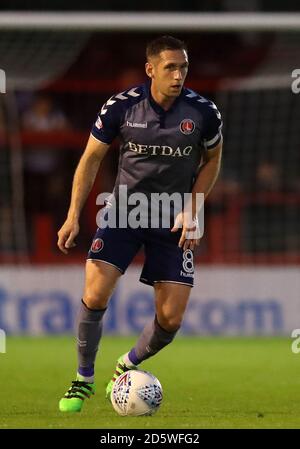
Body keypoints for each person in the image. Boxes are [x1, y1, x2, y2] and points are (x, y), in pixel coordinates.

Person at [57, 35, 223, 412]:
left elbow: (213, 160)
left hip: (173, 217)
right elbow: (90, 159)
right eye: (170, 67)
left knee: (171, 319)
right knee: (96, 291)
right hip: (124, 213)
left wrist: (193, 208)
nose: (178, 75)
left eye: (183, 67)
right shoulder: (121, 107)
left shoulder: (203, 112)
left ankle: (127, 364)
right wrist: (72, 216)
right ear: (151, 69)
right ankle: (82, 379)